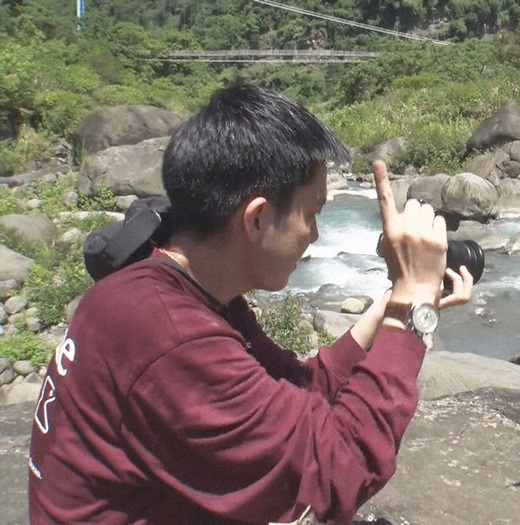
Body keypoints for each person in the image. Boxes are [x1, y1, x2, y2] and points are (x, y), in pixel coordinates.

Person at [28, 84, 473, 525]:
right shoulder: (168, 334)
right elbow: (336, 475)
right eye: (312, 214)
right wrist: (414, 308)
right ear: (257, 219)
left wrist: (392, 307)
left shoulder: (175, 286)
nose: (316, 235)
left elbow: (297, 388)